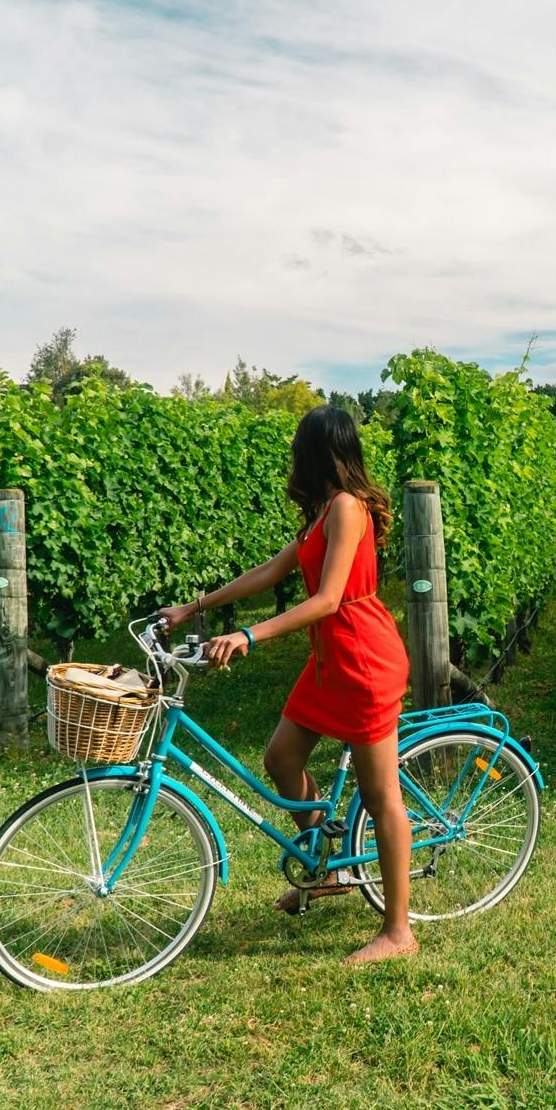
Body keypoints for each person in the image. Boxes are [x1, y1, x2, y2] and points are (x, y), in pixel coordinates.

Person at [158, 405, 415, 965]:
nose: (293, 456)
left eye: (299, 446)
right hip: (330, 661)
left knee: (380, 795)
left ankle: (398, 932)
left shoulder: (347, 508)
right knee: (281, 757)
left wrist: (250, 635)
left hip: (364, 659)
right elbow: (270, 574)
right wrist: (194, 607)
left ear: (318, 452)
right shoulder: (323, 511)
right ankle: (329, 868)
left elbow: (327, 599)